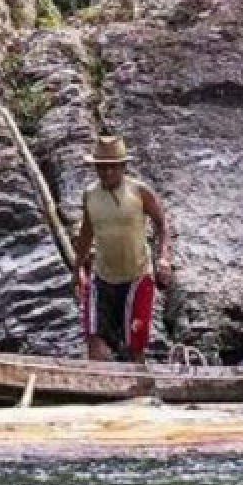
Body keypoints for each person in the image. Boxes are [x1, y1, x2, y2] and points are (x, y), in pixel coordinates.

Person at [72, 136, 173, 362]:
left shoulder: (139, 192)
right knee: (95, 344)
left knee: (135, 348)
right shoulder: (90, 194)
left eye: (112, 167)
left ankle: (141, 391)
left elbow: (162, 223)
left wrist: (164, 257)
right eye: (102, 167)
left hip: (137, 278)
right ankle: (101, 392)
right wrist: (77, 269)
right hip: (102, 278)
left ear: (123, 166)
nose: (107, 173)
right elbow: (86, 232)